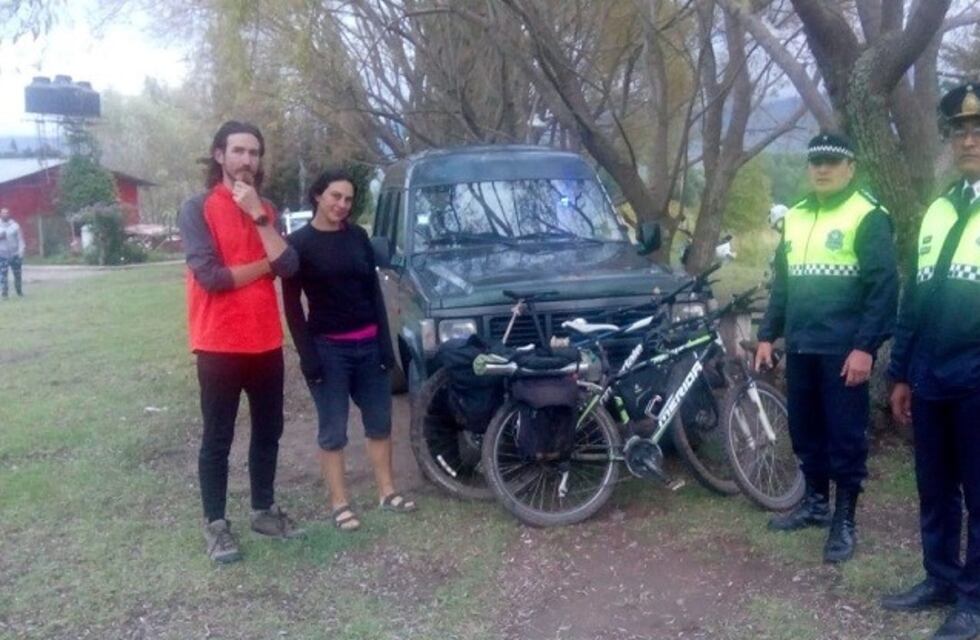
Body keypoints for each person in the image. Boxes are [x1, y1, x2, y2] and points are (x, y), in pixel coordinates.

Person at [755, 132, 898, 563]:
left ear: (850, 167)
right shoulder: (795, 217)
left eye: (832, 162)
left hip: (843, 352)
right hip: (801, 346)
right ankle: (816, 505)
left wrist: (866, 348)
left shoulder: (868, 215)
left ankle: (844, 519)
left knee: (845, 437)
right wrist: (766, 334)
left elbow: (882, 289)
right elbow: (783, 283)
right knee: (805, 431)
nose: (822, 168)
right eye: (815, 161)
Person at [178, 120, 304, 564]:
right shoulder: (197, 209)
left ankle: (263, 510)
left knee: (269, 432)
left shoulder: (265, 207)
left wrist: (257, 215)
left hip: (266, 342)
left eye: (254, 153)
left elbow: (288, 265)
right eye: (238, 151)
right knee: (218, 437)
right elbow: (211, 277)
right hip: (218, 345)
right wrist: (261, 266)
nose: (247, 160)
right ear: (219, 156)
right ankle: (216, 525)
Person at [881, 82, 980, 640]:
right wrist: (901, 373)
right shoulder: (941, 209)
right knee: (935, 487)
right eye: (960, 131)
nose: (969, 139)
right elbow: (916, 296)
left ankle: (975, 599)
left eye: (977, 128)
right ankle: (940, 578)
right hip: (933, 375)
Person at [282, 168, 415, 532]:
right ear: (318, 196)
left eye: (348, 199)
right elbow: (293, 307)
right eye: (335, 196)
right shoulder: (298, 243)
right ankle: (339, 503)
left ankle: (387, 492)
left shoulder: (358, 236)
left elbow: (373, 293)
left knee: (379, 423)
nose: (342, 204)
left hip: (369, 346)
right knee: (333, 431)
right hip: (328, 350)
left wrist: (386, 348)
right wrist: (307, 357)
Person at [0, 207, 26, 299]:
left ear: (9, 214)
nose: (5, 214)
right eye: (3, 213)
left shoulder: (15, 225)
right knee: (3, 276)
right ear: (0, 214)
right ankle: (4, 294)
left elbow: (20, 240)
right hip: (2, 255)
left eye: (6, 213)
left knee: (17, 275)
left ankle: (19, 292)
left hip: (15, 254)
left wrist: (21, 252)